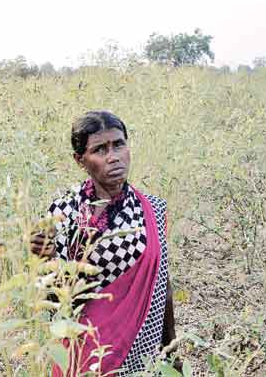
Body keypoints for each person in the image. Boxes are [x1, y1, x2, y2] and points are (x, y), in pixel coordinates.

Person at [29, 111, 177, 376]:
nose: (114, 156)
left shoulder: (152, 211)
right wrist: (46, 258)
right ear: (80, 160)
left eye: (119, 144)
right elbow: (58, 302)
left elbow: (162, 286)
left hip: (140, 351)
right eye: (100, 149)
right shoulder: (64, 212)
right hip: (84, 354)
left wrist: (171, 352)